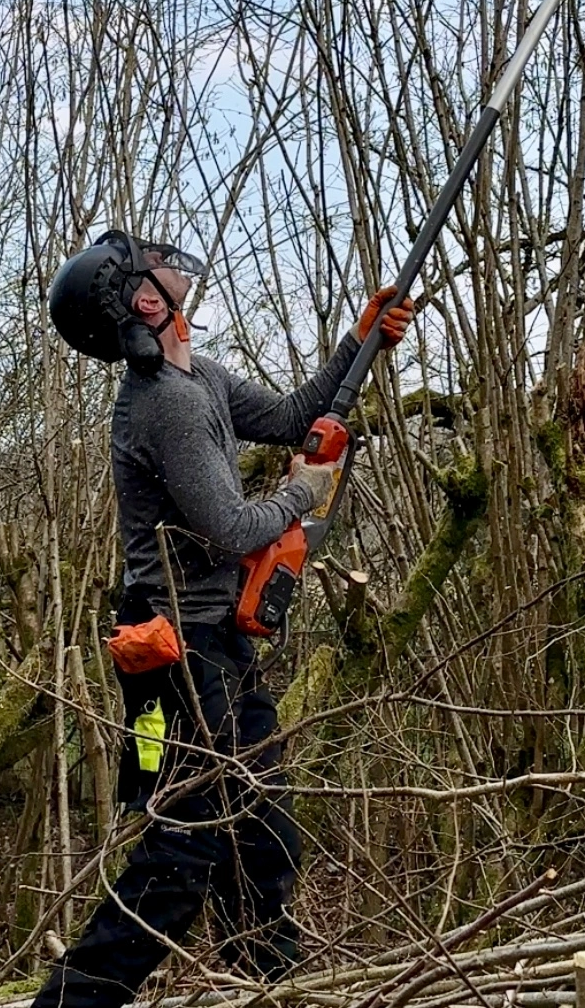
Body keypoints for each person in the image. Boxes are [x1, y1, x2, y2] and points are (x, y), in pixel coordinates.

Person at [39, 229, 414, 1006]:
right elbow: (234, 529)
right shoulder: (166, 405)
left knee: (263, 827)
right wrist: (306, 492)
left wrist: (360, 340)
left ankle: (264, 985)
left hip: (214, 641)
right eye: (157, 264)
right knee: (191, 842)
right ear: (146, 300)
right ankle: (73, 1000)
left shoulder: (197, 376)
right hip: (181, 644)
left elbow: (287, 415)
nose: (176, 264)